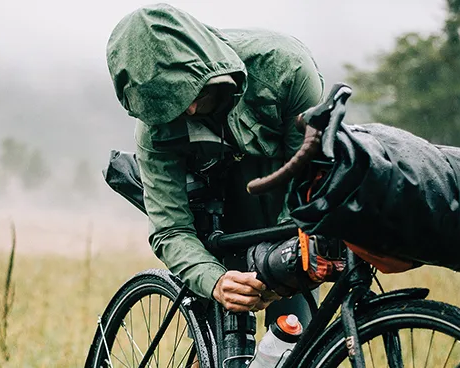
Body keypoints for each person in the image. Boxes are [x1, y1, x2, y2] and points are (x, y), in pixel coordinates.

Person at [105, 3, 323, 319]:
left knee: (295, 339)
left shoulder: (285, 68)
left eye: (190, 92)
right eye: (173, 105)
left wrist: (280, 265)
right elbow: (171, 229)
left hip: (288, 214)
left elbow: (307, 177)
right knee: (217, 343)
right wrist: (216, 282)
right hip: (218, 223)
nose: (190, 110)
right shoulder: (152, 131)